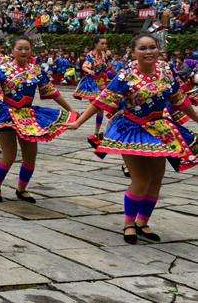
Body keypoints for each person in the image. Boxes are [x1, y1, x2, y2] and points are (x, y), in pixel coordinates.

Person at [69, 34, 198, 243]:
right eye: (143, 48)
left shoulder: (165, 70)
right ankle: (128, 223)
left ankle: (142, 222)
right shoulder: (125, 75)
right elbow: (102, 101)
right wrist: (78, 122)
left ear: (158, 49)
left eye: (152, 47)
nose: (149, 52)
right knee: (141, 178)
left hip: (160, 128)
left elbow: (179, 100)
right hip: (131, 129)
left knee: (156, 178)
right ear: (134, 52)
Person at [0, 36, 75, 203]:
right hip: (5, 114)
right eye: (20, 49)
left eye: (27, 49)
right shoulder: (2, 70)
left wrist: (71, 110)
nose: (23, 52)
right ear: (13, 51)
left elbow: (52, 92)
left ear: (31, 51)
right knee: (9, 155)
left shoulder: (36, 70)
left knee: (30, 157)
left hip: (28, 116)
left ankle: (22, 189)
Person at [75, 37, 113, 136]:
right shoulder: (91, 55)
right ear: (96, 44)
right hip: (91, 83)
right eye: (102, 43)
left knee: (100, 107)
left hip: (101, 82)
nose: (105, 46)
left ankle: (84, 115)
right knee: (99, 106)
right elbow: (84, 66)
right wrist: (89, 70)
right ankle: (96, 131)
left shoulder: (104, 55)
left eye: (106, 44)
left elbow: (107, 67)